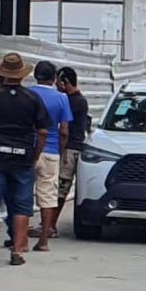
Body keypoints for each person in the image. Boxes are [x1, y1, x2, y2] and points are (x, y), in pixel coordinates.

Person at [0, 52, 50, 267]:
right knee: (22, 205)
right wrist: (35, 154)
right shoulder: (32, 98)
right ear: (22, 74)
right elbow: (42, 131)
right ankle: (18, 251)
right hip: (23, 156)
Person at [29, 61, 72, 251]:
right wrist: (60, 150)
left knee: (21, 193)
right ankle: (44, 240)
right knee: (48, 197)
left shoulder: (28, 94)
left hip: (28, 149)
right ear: (54, 79)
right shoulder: (62, 98)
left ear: (34, 75)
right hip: (51, 151)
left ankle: (18, 239)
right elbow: (64, 130)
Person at [55, 66, 90, 222]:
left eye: (58, 83)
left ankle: (50, 225)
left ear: (65, 82)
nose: (56, 86)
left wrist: (60, 150)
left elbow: (64, 129)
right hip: (74, 148)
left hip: (69, 149)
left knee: (61, 189)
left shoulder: (71, 101)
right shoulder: (80, 100)